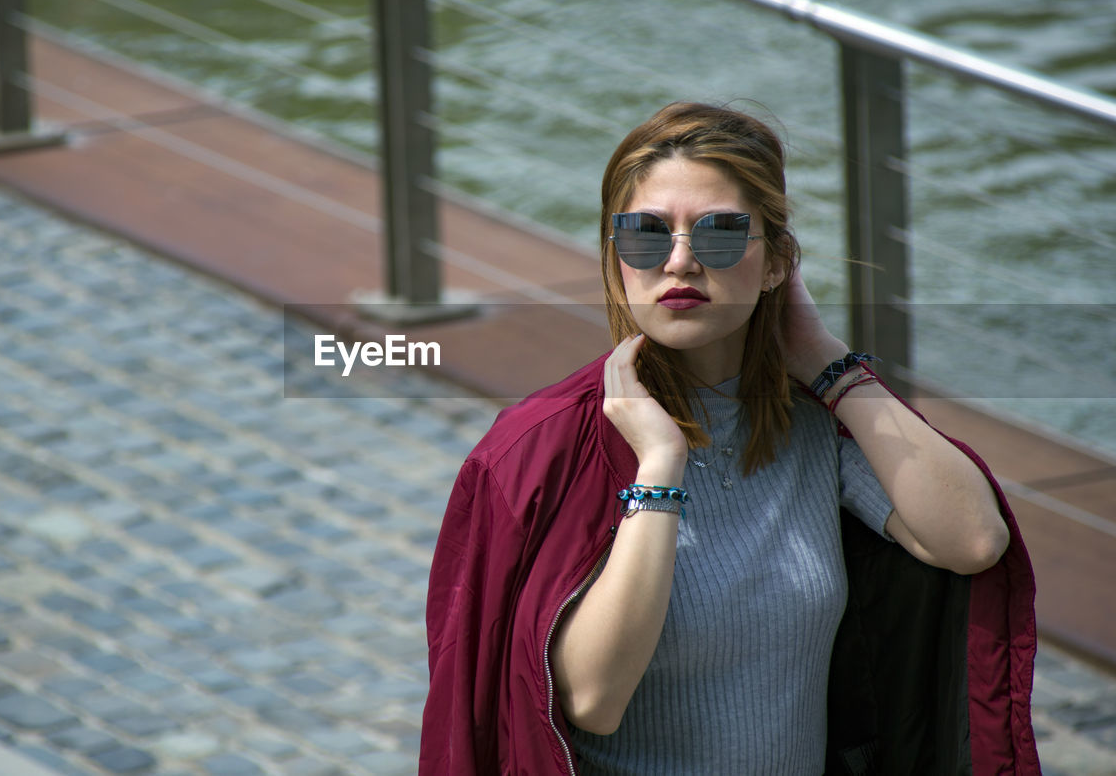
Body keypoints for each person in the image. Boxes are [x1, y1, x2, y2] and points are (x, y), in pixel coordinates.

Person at [420, 102, 1039, 775]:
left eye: (719, 233)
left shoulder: (809, 422)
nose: (680, 261)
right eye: (645, 235)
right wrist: (660, 465)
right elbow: (592, 698)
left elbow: (974, 538)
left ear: (776, 262)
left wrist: (829, 365)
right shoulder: (542, 450)